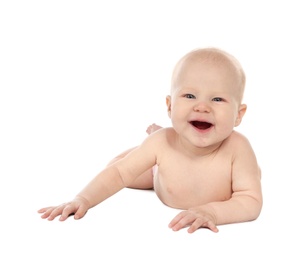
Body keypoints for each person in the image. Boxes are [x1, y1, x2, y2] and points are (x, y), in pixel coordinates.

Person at [38, 47, 263, 233]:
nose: (202, 107)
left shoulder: (238, 149)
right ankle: (150, 145)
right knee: (118, 166)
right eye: (190, 96)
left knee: (143, 155)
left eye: (217, 99)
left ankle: (152, 144)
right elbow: (118, 173)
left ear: (238, 115)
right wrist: (83, 199)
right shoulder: (163, 144)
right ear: (170, 105)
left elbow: (250, 201)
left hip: (167, 158)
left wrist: (212, 212)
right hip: (158, 173)